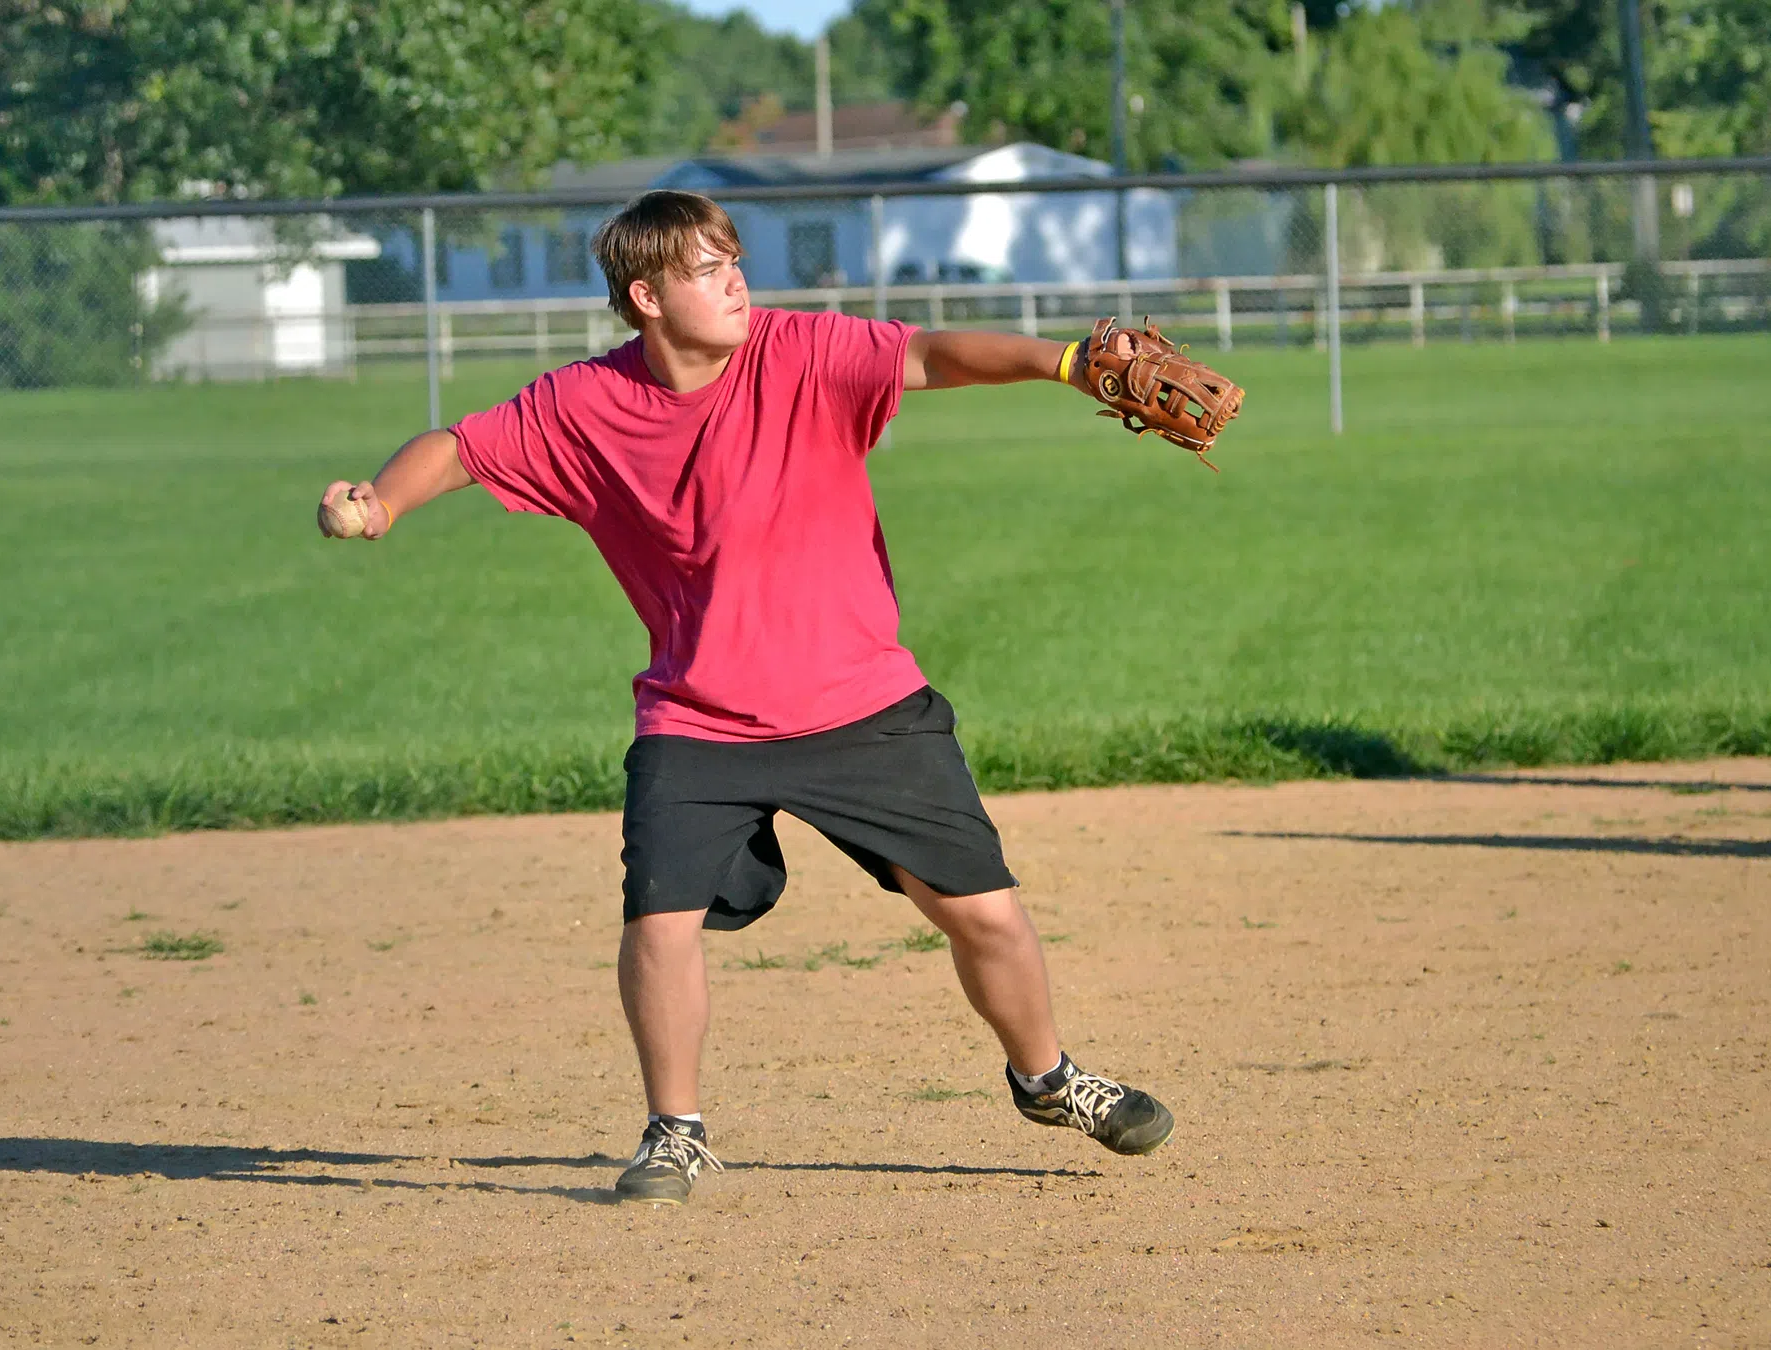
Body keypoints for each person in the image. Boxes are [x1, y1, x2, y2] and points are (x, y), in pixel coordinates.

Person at [318, 190, 1173, 1206]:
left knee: (985, 915)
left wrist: (1068, 362)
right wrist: (380, 503)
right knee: (660, 920)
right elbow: (459, 449)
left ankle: (1048, 1080)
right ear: (645, 297)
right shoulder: (584, 407)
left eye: (735, 260)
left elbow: (932, 355)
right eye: (707, 268)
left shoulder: (800, 351)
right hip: (698, 717)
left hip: (862, 701)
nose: (738, 282)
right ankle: (673, 1134)